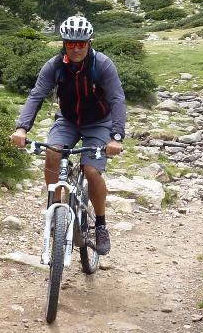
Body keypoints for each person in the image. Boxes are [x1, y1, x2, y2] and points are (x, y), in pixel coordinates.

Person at [10, 14, 127, 255]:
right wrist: (22, 128)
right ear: (64, 43)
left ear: (89, 42)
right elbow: (37, 95)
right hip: (68, 120)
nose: (76, 48)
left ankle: (101, 226)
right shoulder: (54, 66)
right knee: (53, 151)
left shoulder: (102, 64)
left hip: (98, 123)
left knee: (91, 170)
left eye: (81, 43)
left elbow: (117, 99)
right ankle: (55, 208)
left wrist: (116, 137)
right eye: (70, 43)